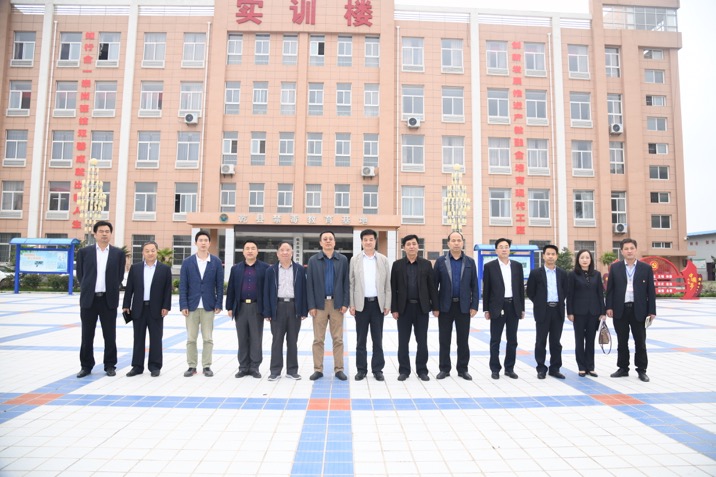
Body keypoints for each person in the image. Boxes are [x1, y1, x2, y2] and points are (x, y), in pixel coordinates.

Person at [75, 220, 126, 378]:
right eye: (101, 231)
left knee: (110, 335)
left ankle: (110, 365)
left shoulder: (118, 254)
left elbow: (119, 276)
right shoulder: (84, 252)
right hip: (89, 300)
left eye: (107, 231)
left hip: (108, 300)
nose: (104, 234)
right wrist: (88, 287)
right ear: (95, 234)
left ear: (111, 234)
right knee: (87, 335)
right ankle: (86, 366)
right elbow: (80, 275)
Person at [606, 238, 656, 382]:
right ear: (621, 251)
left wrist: (652, 311)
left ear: (636, 249)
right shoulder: (615, 268)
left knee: (640, 342)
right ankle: (623, 368)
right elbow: (610, 290)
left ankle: (641, 370)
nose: (629, 251)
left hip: (639, 310)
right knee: (622, 341)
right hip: (620, 309)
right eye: (626, 249)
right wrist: (609, 307)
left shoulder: (645, 268)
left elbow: (651, 291)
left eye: (631, 248)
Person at [390, 234, 439, 381]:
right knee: (403, 341)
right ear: (403, 248)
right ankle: (404, 370)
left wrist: (435, 307)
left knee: (422, 341)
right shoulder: (397, 265)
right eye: (408, 244)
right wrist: (394, 309)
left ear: (418, 246)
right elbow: (393, 288)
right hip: (403, 309)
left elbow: (432, 288)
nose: (411, 246)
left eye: (414, 244)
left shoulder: (426, 264)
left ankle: (422, 370)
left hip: (421, 308)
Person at [122, 241, 172, 377]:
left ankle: (155, 366)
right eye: (147, 251)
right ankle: (137, 366)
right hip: (138, 308)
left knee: (156, 338)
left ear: (157, 251)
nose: (150, 253)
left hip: (156, 309)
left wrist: (166, 306)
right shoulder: (136, 268)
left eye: (153, 250)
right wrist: (126, 305)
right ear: (143, 253)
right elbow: (129, 288)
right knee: (138, 338)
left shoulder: (164, 269)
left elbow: (167, 290)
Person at [433, 231, 479, 381]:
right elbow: (434, 286)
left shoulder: (470, 262)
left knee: (463, 340)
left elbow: (475, 286)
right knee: (444, 339)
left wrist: (474, 305)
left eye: (459, 240)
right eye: (453, 240)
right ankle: (444, 369)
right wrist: (435, 307)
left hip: (463, 307)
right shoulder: (440, 262)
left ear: (463, 242)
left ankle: (463, 369)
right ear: (448, 243)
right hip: (445, 307)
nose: (456, 243)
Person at [179, 230, 224, 377]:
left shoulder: (216, 262)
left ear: (209, 243)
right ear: (196, 243)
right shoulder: (187, 262)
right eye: (200, 240)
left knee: (208, 338)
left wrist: (218, 303)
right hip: (191, 306)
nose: (203, 243)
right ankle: (191, 366)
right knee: (191, 338)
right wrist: (183, 305)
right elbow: (183, 285)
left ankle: (206, 366)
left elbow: (219, 285)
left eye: (206, 240)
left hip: (208, 306)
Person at [306, 231, 350, 381]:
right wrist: (311, 305)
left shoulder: (342, 260)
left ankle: (339, 369)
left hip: (337, 304)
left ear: (335, 242)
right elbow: (309, 284)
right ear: (320, 243)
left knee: (338, 339)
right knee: (318, 339)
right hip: (319, 305)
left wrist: (345, 303)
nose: (328, 241)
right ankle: (318, 369)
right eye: (325, 239)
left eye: (330, 239)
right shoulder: (313, 260)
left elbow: (346, 282)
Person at [349, 229, 391, 382]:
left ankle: (377, 369)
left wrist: (387, 304)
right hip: (361, 305)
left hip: (377, 305)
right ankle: (361, 369)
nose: (368, 242)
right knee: (361, 340)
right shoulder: (355, 260)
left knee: (377, 339)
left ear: (375, 241)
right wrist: (352, 304)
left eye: (371, 239)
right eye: (365, 239)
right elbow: (351, 283)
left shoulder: (383, 260)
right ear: (361, 241)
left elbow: (387, 284)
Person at [263, 241, 308, 381]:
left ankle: (292, 370)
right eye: (282, 250)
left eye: (288, 250)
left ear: (292, 252)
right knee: (277, 340)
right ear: (277, 254)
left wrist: (303, 310)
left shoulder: (300, 269)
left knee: (293, 340)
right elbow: (266, 291)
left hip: (294, 307)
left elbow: (304, 290)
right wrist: (267, 311)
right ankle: (275, 371)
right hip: (278, 306)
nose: (285, 252)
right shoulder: (271, 270)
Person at [482, 238, 525, 380]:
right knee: (495, 340)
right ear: (496, 250)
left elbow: (520, 289)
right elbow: (486, 289)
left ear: (509, 249)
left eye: (506, 246)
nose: (504, 249)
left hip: (513, 306)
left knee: (512, 340)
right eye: (501, 247)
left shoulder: (517, 266)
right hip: (497, 307)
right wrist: (486, 309)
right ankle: (495, 369)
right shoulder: (490, 266)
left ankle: (509, 368)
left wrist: (522, 308)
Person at [226, 241, 269, 379]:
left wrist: (267, 309)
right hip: (241, 307)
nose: (250, 251)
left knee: (256, 338)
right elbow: (231, 289)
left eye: (253, 248)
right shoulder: (236, 269)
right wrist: (229, 307)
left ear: (257, 251)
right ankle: (243, 367)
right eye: (247, 248)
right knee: (242, 338)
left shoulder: (265, 268)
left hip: (257, 307)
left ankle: (255, 367)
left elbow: (268, 290)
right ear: (243, 252)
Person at [526, 244, 568, 380]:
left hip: (557, 310)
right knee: (541, 341)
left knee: (556, 342)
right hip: (542, 310)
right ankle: (541, 368)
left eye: (553, 254)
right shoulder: (536, 273)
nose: (550, 256)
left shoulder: (562, 273)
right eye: (548, 254)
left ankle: (555, 368)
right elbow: (530, 292)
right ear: (543, 256)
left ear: (556, 256)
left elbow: (565, 291)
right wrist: (539, 303)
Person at [566, 250, 606, 377]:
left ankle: (590, 367)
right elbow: (570, 295)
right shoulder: (572, 275)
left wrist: (603, 311)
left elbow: (600, 294)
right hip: (578, 313)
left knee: (590, 340)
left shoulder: (596, 274)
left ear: (591, 260)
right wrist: (570, 312)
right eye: (582, 257)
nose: (584, 260)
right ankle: (581, 367)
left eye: (587, 257)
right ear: (578, 259)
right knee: (579, 340)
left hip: (594, 313)